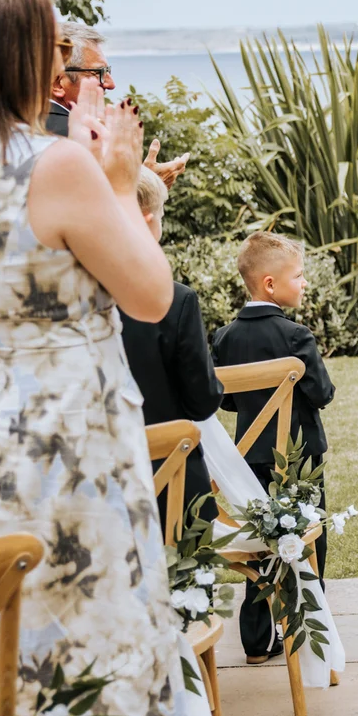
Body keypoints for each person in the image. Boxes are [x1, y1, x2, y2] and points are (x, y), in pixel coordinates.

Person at [0, 0, 192, 716]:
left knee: (8, 666)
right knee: (76, 660)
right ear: (31, 59)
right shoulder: (54, 165)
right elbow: (150, 296)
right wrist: (116, 181)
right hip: (65, 448)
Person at [212, 231, 336, 663]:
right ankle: (308, 626)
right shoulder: (296, 336)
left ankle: (256, 640)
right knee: (308, 540)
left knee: (260, 543)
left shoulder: (224, 338)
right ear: (270, 284)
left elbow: (225, 400)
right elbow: (322, 393)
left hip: (248, 463)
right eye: (298, 276)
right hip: (299, 463)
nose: (304, 283)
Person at [118, 167, 224, 532]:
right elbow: (203, 401)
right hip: (171, 487)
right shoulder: (175, 299)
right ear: (149, 220)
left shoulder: (72, 296)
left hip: (99, 487)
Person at [46, 21, 189, 189]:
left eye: (108, 71)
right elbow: (90, 202)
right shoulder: (77, 139)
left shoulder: (26, 125)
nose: (111, 84)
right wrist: (148, 187)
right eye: (99, 72)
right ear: (58, 83)